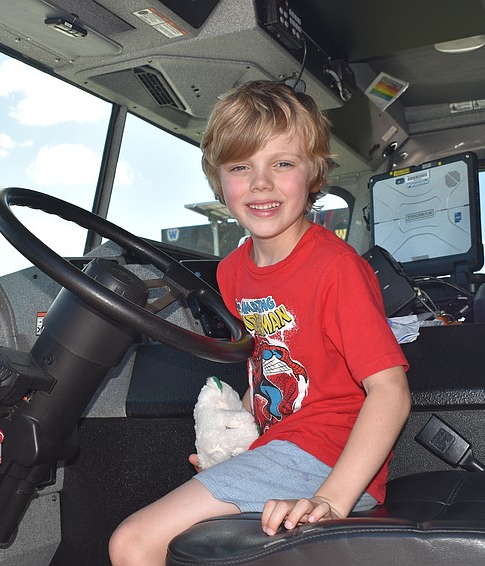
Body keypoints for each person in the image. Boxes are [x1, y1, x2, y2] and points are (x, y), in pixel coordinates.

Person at [108, 80, 410, 565]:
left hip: (327, 455)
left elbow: (390, 391)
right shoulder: (233, 271)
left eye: (282, 163)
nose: (261, 183)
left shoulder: (336, 268)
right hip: (280, 445)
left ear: (313, 172)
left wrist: (332, 500)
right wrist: (238, 437)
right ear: (219, 179)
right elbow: (269, 360)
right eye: (241, 167)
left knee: (134, 542)